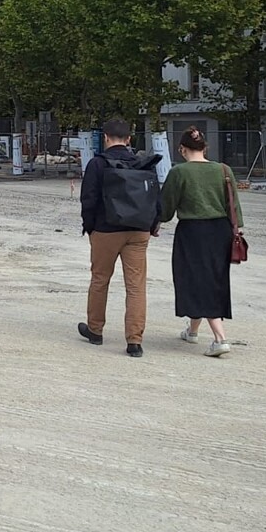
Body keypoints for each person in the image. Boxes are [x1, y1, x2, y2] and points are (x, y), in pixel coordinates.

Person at [77, 117, 161, 357]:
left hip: (106, 229)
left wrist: (90, 227)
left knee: (100, 279)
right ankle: (134, 340)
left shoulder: (97, 164)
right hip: (138, 230)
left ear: (105, 138)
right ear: (129, 139)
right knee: (136, 286)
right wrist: (153, 224)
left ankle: (95, 330)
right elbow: (156, 197)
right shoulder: (143, 163)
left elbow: (88, 200)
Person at [159, 125, 242, 358]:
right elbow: (233, 206)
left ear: (182, 149)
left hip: (193, 231)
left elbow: (166, 208)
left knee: (195, 279)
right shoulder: (223, 170)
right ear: (206, 147)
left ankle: (220, 338)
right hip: (221, 230)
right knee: (213, 277)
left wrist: (156, 222)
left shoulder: (179, 172)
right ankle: (192, 331)